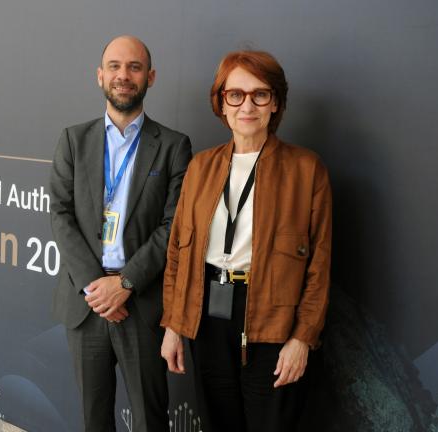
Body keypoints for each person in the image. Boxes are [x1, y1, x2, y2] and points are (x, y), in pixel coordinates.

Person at [160, 50, 332, 432]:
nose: (247, 105)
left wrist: (302, 338)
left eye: (260, 94)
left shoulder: (307, 170)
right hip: (208, 316)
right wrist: (174, 324)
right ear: (221, 103)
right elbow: (177, 254)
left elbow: (319, 267)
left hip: (274, 322)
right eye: (235, 94)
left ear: (276, 103)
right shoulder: (200, 167)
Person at [50, 35, 192, 432]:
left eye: (134, 67)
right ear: (100, 76)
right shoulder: (73, 141)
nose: (123, 76)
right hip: (88, 305)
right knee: (95, 420)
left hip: (141, 304)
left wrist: (125, 283)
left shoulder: (174, 147)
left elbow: (174, 226)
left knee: (151, 420)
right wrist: (98, 287)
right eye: (114, 66)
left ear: (151, 76)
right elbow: (60, 215)